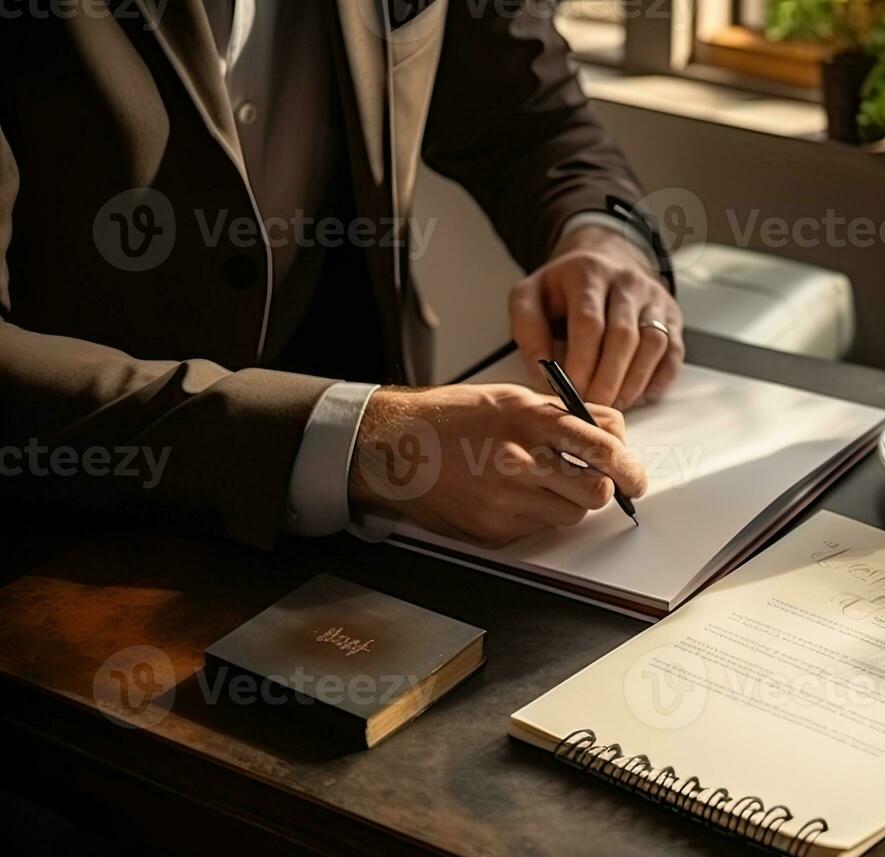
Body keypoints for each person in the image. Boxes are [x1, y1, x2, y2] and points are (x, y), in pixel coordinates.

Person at [0, 0, 682, 549]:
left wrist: (604, 240)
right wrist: (360, 441)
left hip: (384, 532)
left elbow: (532, 120)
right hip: (73, 546)